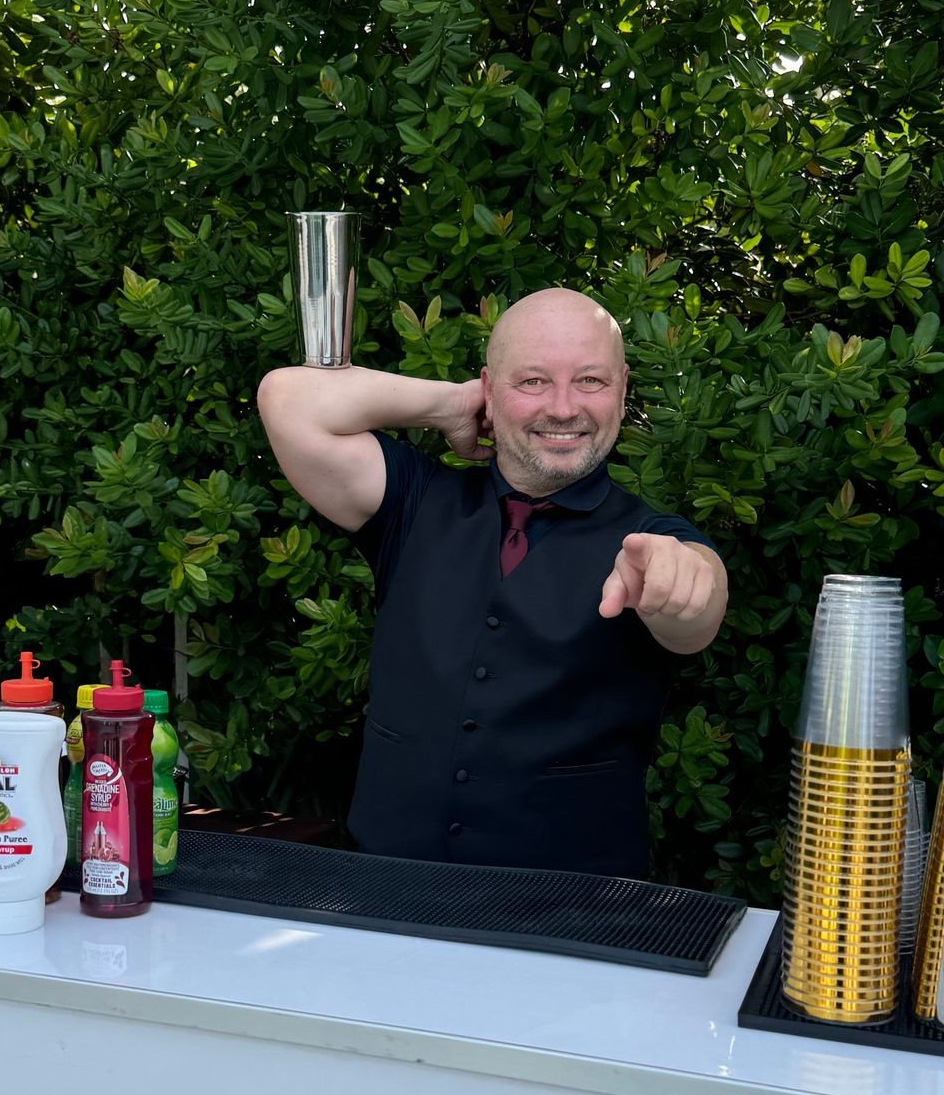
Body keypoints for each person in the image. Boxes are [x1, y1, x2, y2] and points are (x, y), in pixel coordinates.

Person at [256, 286, 728, 878]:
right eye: (531, 381)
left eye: (590, 381)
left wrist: (682, 582)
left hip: (574, 910)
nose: (563, 407)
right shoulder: (412, 499)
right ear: (489, 388)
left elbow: (696, 613)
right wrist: (450, 405)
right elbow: (287, 396)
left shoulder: (650, 537)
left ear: (623, 389)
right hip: (390, 891)